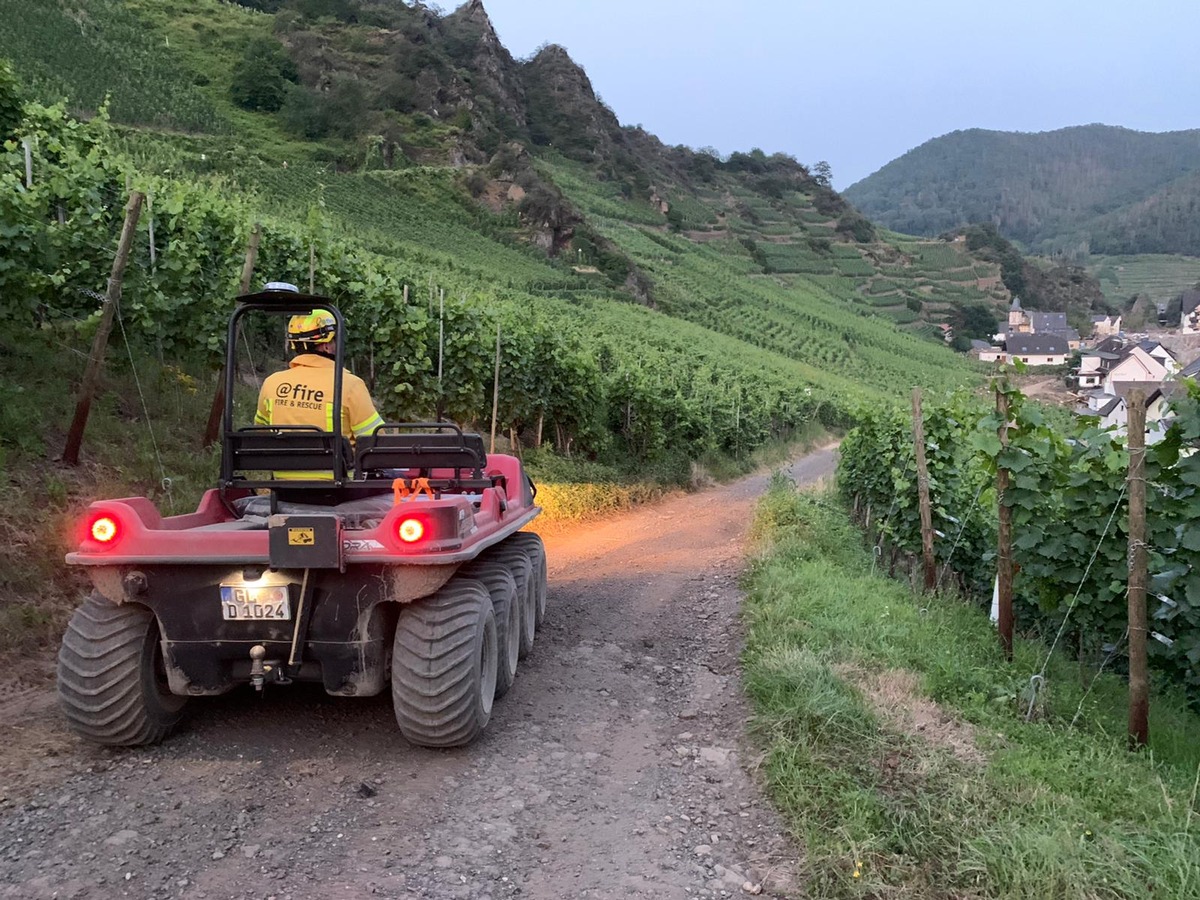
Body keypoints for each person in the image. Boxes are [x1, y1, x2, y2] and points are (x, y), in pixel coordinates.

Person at [254, 284, 384, 471]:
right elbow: (375, 442)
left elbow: (261, 434)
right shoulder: (350, 385)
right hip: (337, 489)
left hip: (283, 487)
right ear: (326, 346)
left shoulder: (271, 383)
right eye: (335, 340)